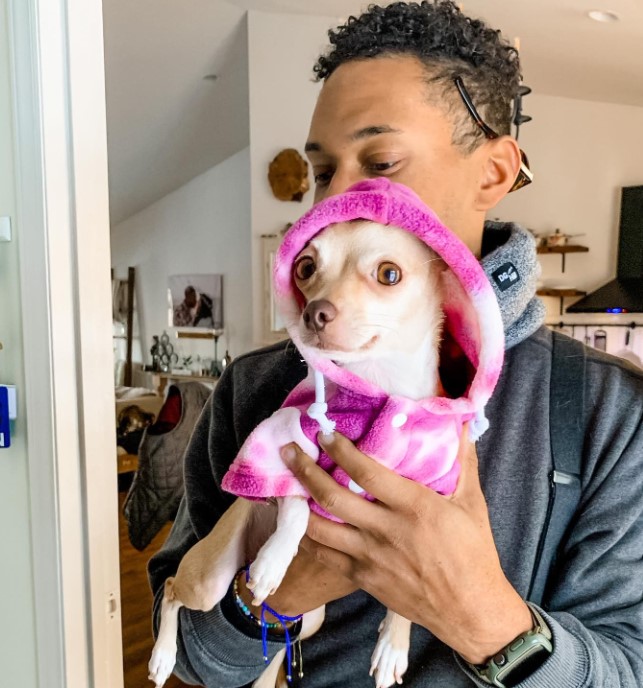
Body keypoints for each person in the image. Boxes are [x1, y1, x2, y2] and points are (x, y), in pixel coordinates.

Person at [149, 2, 643, 686]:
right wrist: (284, 592)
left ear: (493, 174)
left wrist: (483, 616)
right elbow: (200, 662)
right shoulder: (259, 390)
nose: (337, 200)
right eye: (323, 173)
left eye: (380, 162)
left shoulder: (606, 413)